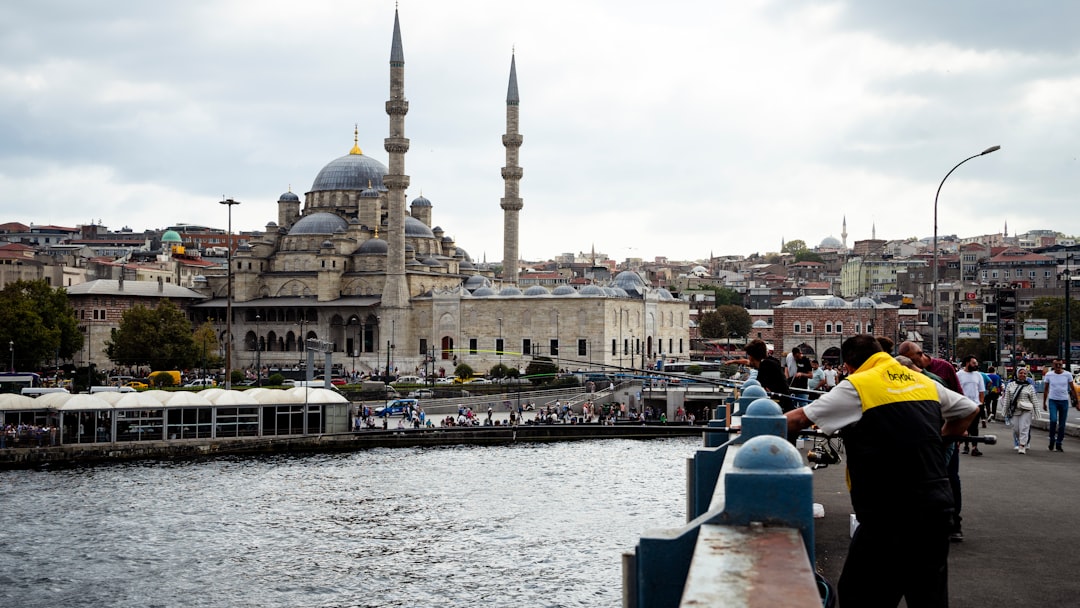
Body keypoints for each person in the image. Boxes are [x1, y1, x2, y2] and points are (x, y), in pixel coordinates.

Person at [785, 335, 979, 607]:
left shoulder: (858, 385)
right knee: (928, 596)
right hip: (936, 506)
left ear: (849, 365)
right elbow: (968, 410)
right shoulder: (922, 380)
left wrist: (751, 426)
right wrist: (940, 440)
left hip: (889, 510)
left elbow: (799, 419)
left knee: (859, 593)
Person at [744, 339, 793, 411]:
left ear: (751, 357)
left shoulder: (766, 365)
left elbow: (760, 387)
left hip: (779, 406)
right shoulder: (771, 361)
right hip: (783, 403)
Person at [1042, 358, 1076, 452]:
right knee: (1053, 420)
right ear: (1053, 365)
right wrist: (1044, 402)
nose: (1058, 366)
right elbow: (1045, 389)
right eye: (1056, 364)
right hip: (1053, 400)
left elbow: (1072, 388)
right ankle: (1052, 439)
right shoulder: (1049, 375)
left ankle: (1059, 443)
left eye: (1060, 365)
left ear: (1062, 365)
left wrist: (1077, 402)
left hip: (1064, 401)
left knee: (1062, 424)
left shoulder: (1067, 374)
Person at [1003, 367, 1037, 454]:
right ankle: (1021, 441)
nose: (1023, 375)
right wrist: (1005, 411)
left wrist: (1037, 412)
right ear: (1017, 374)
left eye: (1025, 373)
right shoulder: (1011, 385)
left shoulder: (1030, 387)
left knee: (1024, 428)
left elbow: (1034, 400)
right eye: (1021, 373)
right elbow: (1007, 399)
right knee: (1016, 429)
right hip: (1015, 410)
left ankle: (1022, 445)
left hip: (1026, 410)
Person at [956, 355, 986, 456]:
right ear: (968, 363)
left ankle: (975, 447)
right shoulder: (959, 375)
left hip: (975, 405)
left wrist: (981, 404)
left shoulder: (978, 375)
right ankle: (965, 446)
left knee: (974, 427)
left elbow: (981, 391)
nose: (975, 365)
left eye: (976, 363)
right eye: (974, 363)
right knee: (964, 426)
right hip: (963, 404)